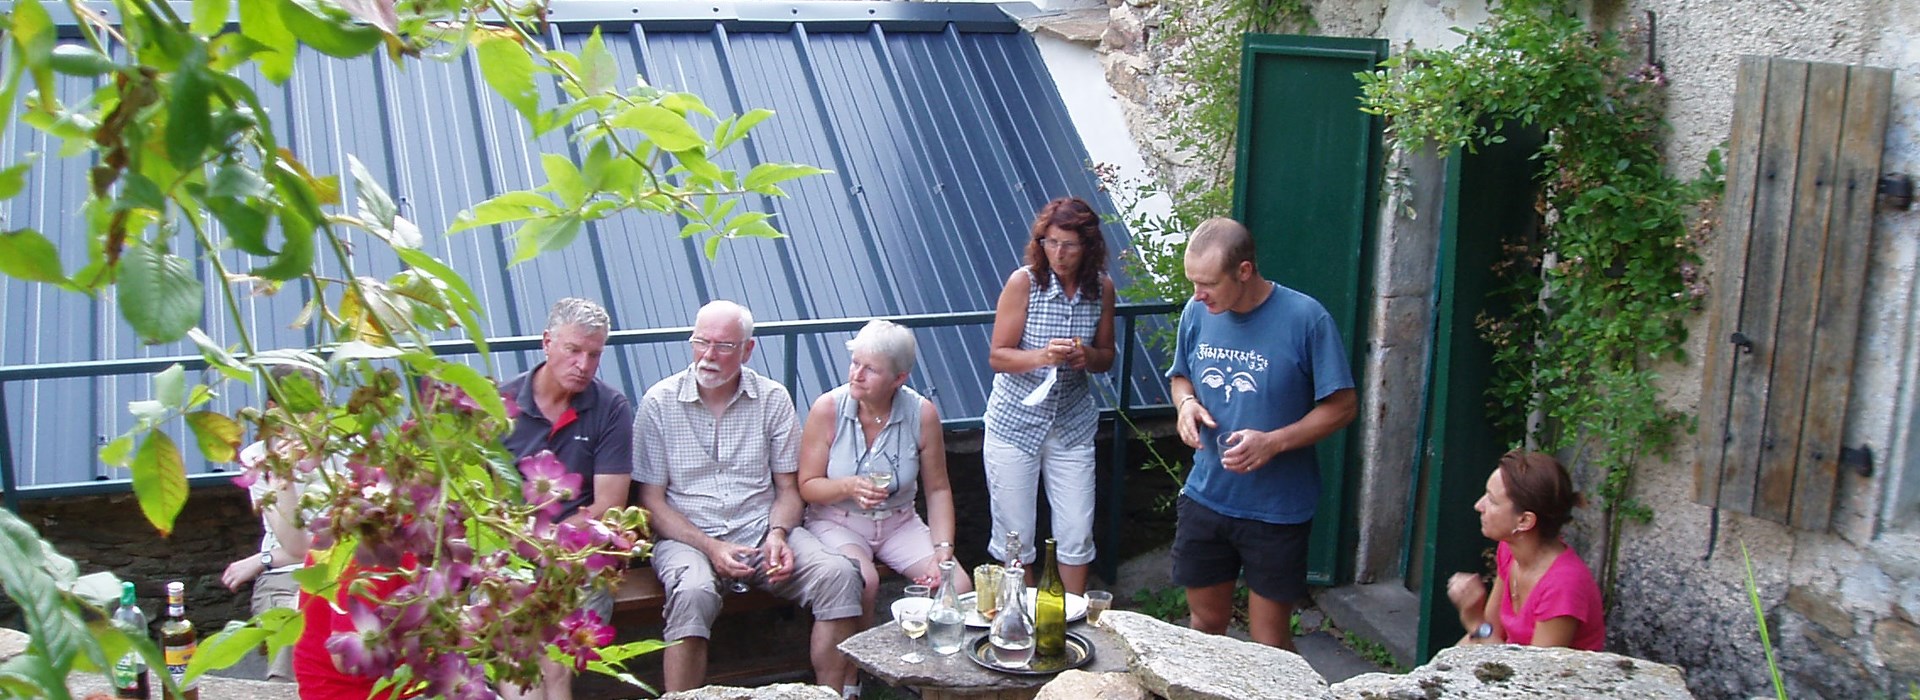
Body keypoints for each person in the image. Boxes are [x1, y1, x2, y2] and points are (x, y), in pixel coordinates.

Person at [633, 300, 863, 696]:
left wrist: (777, 535)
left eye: (723, 346)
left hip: (760, 529)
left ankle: (831, 695)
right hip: (688, 537)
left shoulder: (772, 398)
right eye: (700, 342)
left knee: (838, 575)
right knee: (693, 593)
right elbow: (652, 503)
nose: (708, 355)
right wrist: (710, 546)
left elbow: (789, 490)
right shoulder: (659, 402)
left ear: (747, 349)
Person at [1167, 217, 1358, 652]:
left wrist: (1274, 442)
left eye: (1208, 283)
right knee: (1204, 623)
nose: (1198, 294)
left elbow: (1343, 406)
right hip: (1207, 495)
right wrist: (1186, 405)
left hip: (1276, 509)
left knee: (1268, 644)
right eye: (1193, 282)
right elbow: (1181, 377)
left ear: (1245, 271)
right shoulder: (1197, 313)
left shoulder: (1306, 318)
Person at [498, 297, 634, 700]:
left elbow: (609, 505)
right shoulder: (500, 405)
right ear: (547, 343)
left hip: (580, 553)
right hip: (508, 548)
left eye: (594, 354)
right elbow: (484, 501)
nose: (584, 365)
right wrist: (522, 540)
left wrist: (551, 541)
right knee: (516, 651)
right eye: (573, 350)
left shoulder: (610, 407)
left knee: (558, 659)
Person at [982, 196, 1116, 593]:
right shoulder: (1024, 282)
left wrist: (1085, 355)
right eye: (1051, 242)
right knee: (1015, 534)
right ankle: (1018, 619)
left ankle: (1067, 622)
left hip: (1071, 424)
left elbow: (1106, 357)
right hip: (1014, 424)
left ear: (1088, 246)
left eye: (1070, 245)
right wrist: (1043, 356)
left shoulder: (1101, 288)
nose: (1059, 253)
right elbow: (997, 356)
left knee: (1076, 529)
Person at [798, 319, 969, 630]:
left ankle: (930, 669)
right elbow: (807, 486)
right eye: (855, 363)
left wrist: (942, 550)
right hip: (836, 521)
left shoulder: (922, 413)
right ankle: (855, 674)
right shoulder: (827, 408)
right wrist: (848, 487)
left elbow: (938, 490)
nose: (856, 375)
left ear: (899, 378)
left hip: (899, 522)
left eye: (871, 369)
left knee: (956, 583)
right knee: (864, 581)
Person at [222, 366, 334, 682]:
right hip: (288, 577)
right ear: (274, 410)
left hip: (344, 567)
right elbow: (298, 546)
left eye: (319, 404)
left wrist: (263, 558)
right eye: (302, 406)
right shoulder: (258, 458)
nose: (314, 415)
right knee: (292, 626)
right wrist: (282, 477)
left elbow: (350, 539)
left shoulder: (349, 446)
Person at [1446, 450, 1605, 651]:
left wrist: (1474, 621)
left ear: (1524, 521)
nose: (1478, 505)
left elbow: (1533, 677)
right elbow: (1486, 637)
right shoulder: (1510, 550)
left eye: (1492, 501)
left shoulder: (1563, 586)